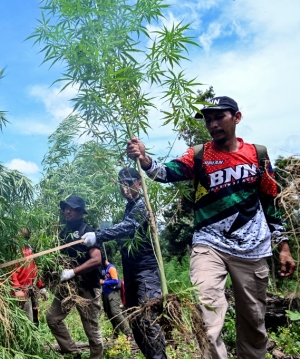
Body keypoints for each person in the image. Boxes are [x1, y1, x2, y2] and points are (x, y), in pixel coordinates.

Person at [125, 96, 296, 359]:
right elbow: (166, 172)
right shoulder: (198, 155)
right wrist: (146, 160)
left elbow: (270, 200)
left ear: (237, 118)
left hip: (252, 248)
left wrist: (283, 246)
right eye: (208, 119)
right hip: (209, 244)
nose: (213, 124)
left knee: (253, 322)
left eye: (219, 117)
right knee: (207, 315)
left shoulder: (257, 154)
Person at [81, 168, 167, 359]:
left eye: (129, 183)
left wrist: (99, 235)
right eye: (122, 185)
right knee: (135, 320)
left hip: (146, 272)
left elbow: (129, 226)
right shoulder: (129, 207)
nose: (125, 189)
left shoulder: (143, 204)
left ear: (138, 183)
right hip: (130, 273)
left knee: (148, 320)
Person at [46, 195, 104, 359]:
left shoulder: (87, 231)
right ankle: (73, 352)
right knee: (52, 318)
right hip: (68, 286)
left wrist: (73, 272)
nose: (67, 210)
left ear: (79, 211)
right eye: (65, 207)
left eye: (70, 208)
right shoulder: (63, 232)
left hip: (87, 286)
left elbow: (96, 260)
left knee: (91, 328)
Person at [10, 228, 49, 323]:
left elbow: (34, 269)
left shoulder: (29, 248)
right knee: (27, 319)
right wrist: (17, 289)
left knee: (35, 315)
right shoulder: (12, 250)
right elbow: (11, 271)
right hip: (21, 290)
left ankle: (36, 333)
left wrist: (41, 287)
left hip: (30, 288)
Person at [101, 258, 132, 341]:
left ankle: (128, 333)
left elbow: (115, 280)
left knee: (116, 312)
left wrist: (104, 282)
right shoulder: (104, 269)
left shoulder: (111, 268)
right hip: (106, 294)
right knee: (110, 314)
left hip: (113, 293)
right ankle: (116, 335)